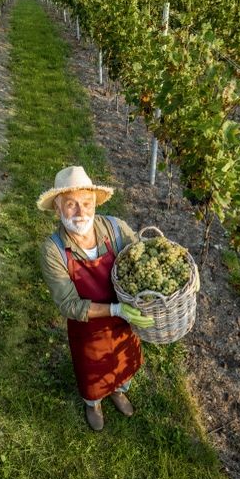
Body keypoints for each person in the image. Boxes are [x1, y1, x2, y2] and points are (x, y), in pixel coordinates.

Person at [38, 165, 155, 431]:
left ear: (95, 204)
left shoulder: (115, 229)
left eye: (87, 203)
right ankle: (94, 403)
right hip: (88, 328)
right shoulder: (54, 251)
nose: (81, 212)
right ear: (57, 209)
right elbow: (69, 305)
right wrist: (116, 310)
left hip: (125, 321)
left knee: (124, 362)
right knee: (92, 373)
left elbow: (144, 258)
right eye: (71, 204)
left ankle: (118, 391)